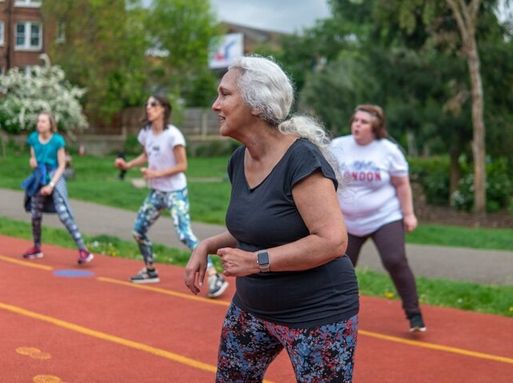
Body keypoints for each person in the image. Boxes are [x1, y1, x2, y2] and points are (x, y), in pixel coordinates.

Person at [185, 56, 359, 382]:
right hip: (253, 309)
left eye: (225, 94)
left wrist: (255, 261)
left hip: (316, 313)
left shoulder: (301, 158)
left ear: (256, 103)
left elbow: (333, 240)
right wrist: (205, 245)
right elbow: (259, 227)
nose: (214, 105)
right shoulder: (239, 160)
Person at [114, 94, 229, 298]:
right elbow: (147, 155)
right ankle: (150, 270)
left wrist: (156, 173)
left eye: (153, 104)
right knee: (138, 231)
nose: (148, 107)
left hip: (175, 192)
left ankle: (214, 276)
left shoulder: (173, 135)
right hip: (156, 193)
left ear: (164, 109)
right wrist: (128, 165)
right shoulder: (146, 132)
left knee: (184, 234)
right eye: (147, 104)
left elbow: (183, 165)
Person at [329, 104, 426, 332]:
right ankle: (333, 316)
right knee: (339, 267)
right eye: (355, 120)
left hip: (384, 216)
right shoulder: (337, 146)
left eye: (363, 122)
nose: (357, 125)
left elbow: (402, 185)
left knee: (395, 260)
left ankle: (415, 316)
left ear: (375, 126)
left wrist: (409, 214)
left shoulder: (388, 150)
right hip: (348, 220)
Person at [21, 111, 94, 265]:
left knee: (63, 214)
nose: (39, 124)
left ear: (51, 125)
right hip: (39, 177)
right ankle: (37, 247)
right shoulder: (33, 138)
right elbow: (33, 156)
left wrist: (51, 185)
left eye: (43, 121)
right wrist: (32, 160)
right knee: (35, 215)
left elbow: (62, 165)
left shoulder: (57, 141)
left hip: (55, 175)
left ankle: (84, 250)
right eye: (38, 121)